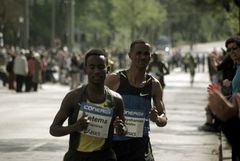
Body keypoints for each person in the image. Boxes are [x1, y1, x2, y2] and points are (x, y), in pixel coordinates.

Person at [50, 48, 127, 161]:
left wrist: (121, 129)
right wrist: (75, 127)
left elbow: (124, 130)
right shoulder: (73, 97)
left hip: (104, 156)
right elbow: (54, 129)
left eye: (101, 67)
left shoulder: (116, 99)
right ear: (85, 70)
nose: (96, 71)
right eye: (92, 67)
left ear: (108, 69)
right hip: (77, 156)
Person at [105, 40, 167, 161]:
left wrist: (157, 119)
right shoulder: (114, 79)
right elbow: (100, 108)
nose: (142, 57)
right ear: (130, 55)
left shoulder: (154, 84)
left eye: (146, 54)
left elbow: (163, 117)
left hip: (140, 145)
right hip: (115, 143)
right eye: (138, 53)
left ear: (150, 56)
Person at [208, 35, 240, 161]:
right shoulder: (237, 66)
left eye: (235, 48)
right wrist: (223, 98)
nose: (231, 52)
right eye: (229, 50)